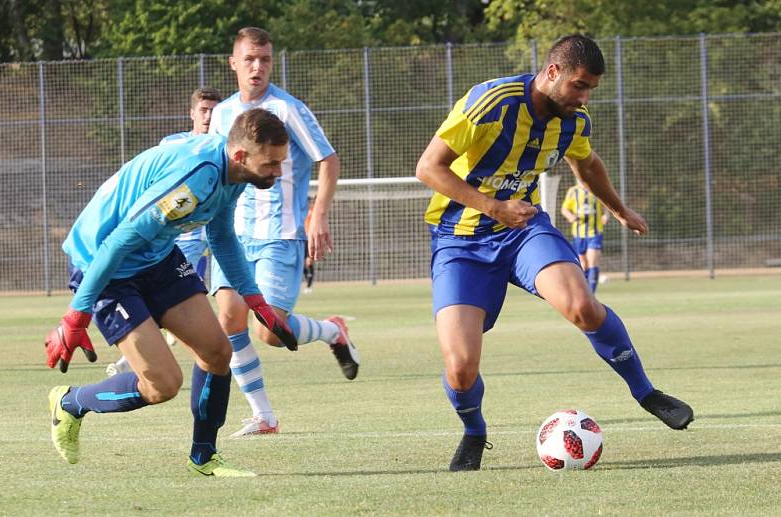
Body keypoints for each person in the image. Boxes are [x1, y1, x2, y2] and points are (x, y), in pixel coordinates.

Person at [415, 34, 694, 472]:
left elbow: (587, 165)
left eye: (591, 90)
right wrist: (493, 206)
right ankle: (473, 432)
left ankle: (646, 393)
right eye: (579, 86)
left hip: (524, 231)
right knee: (460, 367)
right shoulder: (491, 102)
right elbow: (428, 167)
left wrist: (618, 210)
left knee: (583, 306)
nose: (583, 98)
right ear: (552, 72)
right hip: (460, 240)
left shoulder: (573, 122)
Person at [45, 108, 298, 477]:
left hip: (158, 258)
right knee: (162, 385)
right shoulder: (193, 181)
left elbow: (221, 235)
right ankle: (70, 403)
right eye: (272, 164)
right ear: (241, 155)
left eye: (281, 163)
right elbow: (117, 243)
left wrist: (255, 300)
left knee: (217, 351)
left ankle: (205, 457)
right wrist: (76, 315)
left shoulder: (237, 171)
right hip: (105, 265)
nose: (278, 172)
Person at [207, 27, 359, 438]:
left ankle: (332, 331)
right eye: (250, 59)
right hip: (233, 235)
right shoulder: (221, 115)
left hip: (281, 234)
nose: (258, 67)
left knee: (270, 331)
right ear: (234, 63)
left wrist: (318, 215)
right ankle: (264, 416)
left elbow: (328, 159)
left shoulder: (287, 110)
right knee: (228, 320)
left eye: (266, 60)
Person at [104, 87, 223, 376]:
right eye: (204, 110)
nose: (209, 116)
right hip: (173, 238)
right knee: (175, 303)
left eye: (214, 111)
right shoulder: (173, 143)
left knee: (216, 310)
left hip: (210, 235)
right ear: (192, 113)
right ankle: (143, 356)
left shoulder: (225, 148)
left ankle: (151, 357)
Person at [561, 178, 609, 293]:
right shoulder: (573, 191)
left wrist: (606, 215)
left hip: (595, 232)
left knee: (593, 261)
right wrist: (570, 216)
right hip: (578, 233)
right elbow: (564, 209)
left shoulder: (596, 189)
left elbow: (607, 204)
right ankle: (585, 291)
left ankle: (591, 294)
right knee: (583, 264)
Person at [302, 198, 315, 294]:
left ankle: (309, 285)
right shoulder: (303, 211)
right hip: (302, 239)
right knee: (303, 264)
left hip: (310, 238)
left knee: (308, 262)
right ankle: (308, 284)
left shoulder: (314, 212)